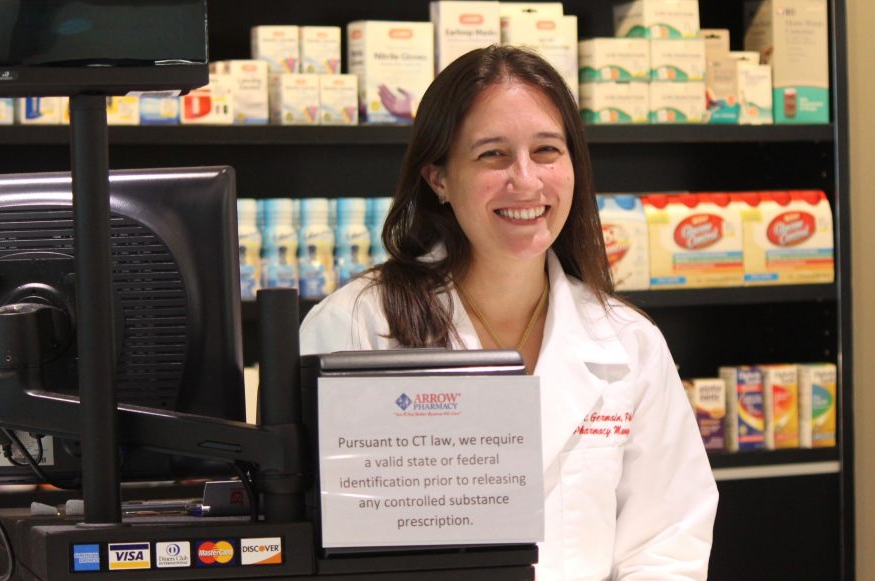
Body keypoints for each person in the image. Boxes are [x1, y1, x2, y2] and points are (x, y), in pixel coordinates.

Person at [299, 45, 718, 579]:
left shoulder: (629, 344)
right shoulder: (355, 327)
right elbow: (319, 545)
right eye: (492, 155)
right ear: (439, 179)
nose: (526, 180)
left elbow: (666, 544)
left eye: (546, 150)